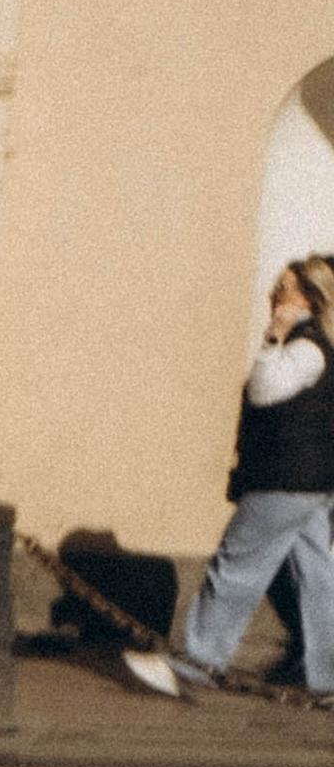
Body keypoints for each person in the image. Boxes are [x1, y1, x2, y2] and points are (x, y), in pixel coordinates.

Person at [124, 253, 334, 698]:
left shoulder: (306, 347)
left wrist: (272, 337)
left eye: (285, 287)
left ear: (310, 300)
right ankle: (328, 674)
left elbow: (263, 391)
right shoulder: (319, 346)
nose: (273, 293)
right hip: (310, 483)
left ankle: (193, 666)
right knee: (314, 579)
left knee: (234, 570)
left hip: (283, 479)